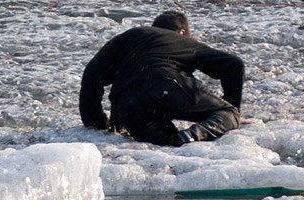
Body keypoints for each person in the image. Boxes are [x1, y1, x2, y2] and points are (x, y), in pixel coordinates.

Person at [79, 11, 244, 147]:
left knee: (166, 146)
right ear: (182, 32)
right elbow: (234, 64)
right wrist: (232, 109)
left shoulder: (132, 35)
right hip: (166, 84)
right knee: (228, 114)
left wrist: (96, 123)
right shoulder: (184, 41)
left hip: (127, 104)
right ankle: (189, 138)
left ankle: (180, 144)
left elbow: (92, 74)